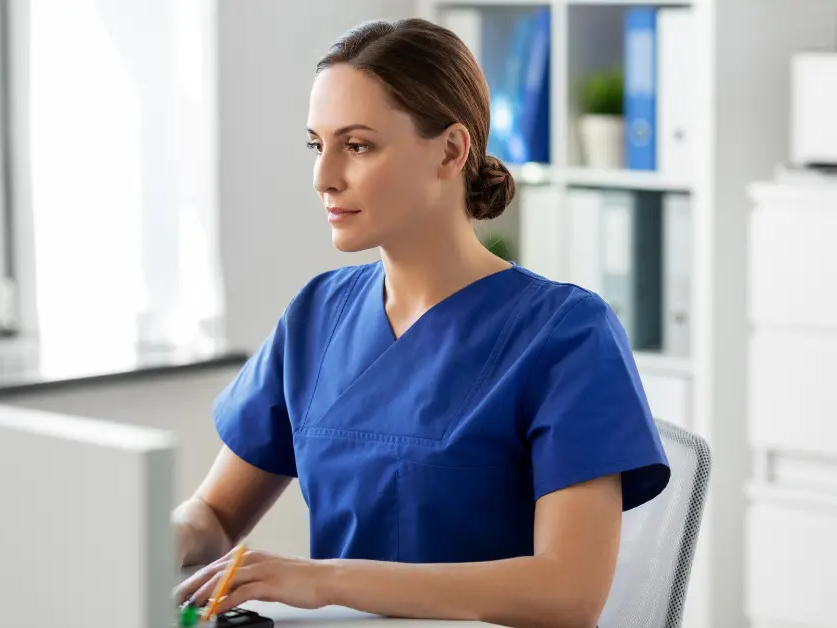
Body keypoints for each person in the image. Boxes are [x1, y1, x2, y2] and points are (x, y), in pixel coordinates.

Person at [171, 17, 670, 628]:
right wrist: (157, 541)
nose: (323, 176)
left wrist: (323, 579)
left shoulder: (566, 334)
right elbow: (215, 517)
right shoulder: (317, 317)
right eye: (316, 144)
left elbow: (569, 592)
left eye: (356, 145)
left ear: (451, 150)